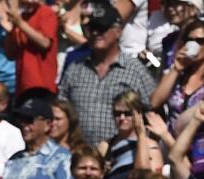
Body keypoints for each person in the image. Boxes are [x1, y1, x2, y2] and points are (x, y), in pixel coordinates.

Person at [57, 1, 158, 145]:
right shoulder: (75, 69)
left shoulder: (135, 71)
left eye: (102, 27)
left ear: (118, 31)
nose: (96, 33)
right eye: (91, 28)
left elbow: (153, 111)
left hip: (121, 157)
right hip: (81, 158)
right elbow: (61, 110)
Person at [5, 0, 59, 96]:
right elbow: (10, 54)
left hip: (42, 86)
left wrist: (20, 23)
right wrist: (11, 30)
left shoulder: (46, 13)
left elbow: (45, 43)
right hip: (22, 86)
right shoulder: (21, 17)